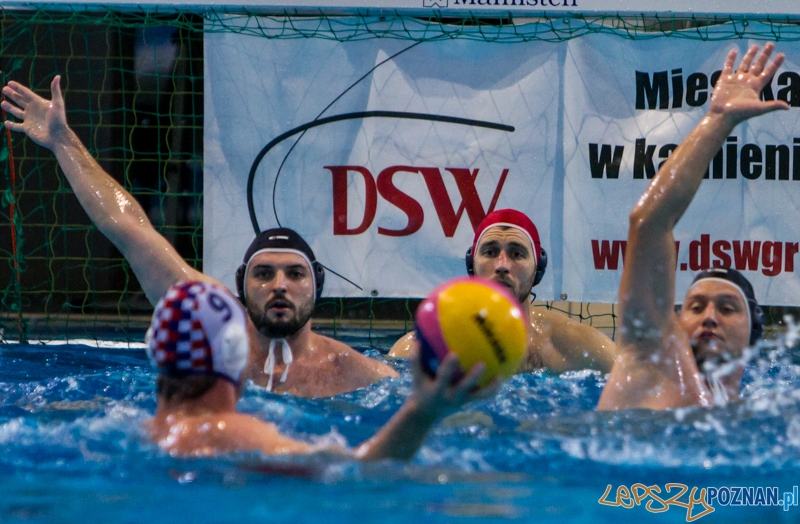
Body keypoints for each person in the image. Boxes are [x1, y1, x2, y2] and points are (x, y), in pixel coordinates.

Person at [1, 77, 396, 399]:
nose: (279, 285)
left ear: (317, 285)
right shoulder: (212, 324)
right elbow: (129, 228)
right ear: (241, 284)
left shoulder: (357, 373)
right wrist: (63, 142)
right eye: (263, 274)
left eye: (295, 274)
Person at [597, 43, 786, 411]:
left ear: (754, 333)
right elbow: (648, 223)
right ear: (675, 322)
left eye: (728, 308)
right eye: (696, 307)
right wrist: (718, 121)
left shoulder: (763, 416)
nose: (709, 318)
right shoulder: (652, 361)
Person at [146, 280, 497, 459]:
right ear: (236, 356)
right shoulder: (231, 434)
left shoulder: (146, 430)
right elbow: (359, 470)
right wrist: (423, 411)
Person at [389, 209, 617, 373]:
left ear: (538, 269)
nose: (502, 265)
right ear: (472, 265)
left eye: (517, 254)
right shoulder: (413, 350)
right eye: (489, 252)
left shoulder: (581, 348)